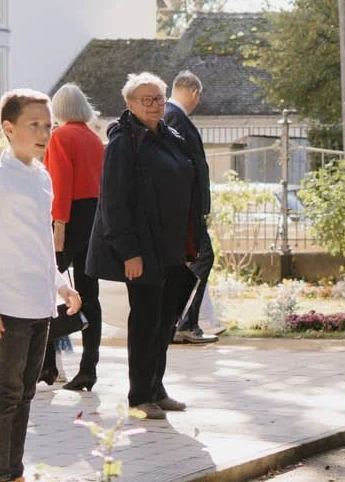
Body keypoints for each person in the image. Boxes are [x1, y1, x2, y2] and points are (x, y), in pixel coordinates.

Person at [0, 89, 82, 482]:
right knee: (6, 394)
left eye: (48, 125)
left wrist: (61, 286)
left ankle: (14, 479)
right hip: (7, 305)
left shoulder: (41, 176)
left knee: (26, 393)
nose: (44, 133)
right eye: (34, 125)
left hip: (39, 304)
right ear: (8, 128)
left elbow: (41, 242)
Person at [87, 72, 197, 420]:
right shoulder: (124, 142)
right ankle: (139, 396)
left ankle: (156, 388)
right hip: (142, 247)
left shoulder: (170, 137)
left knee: (164, 322)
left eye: (159, 99)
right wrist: (129, 252)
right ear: (130, 104)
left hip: (171, 246)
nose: (154, 105)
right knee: (146, 321)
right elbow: (114, 201)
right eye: (146, 100)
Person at [43, 82, 106, 391]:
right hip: (95, 219)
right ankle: (88, 367)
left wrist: (58, 232)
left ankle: (46, 365)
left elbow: (60, 185)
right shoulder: (95, 139)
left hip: (69, 219)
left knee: (49, 290)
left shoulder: (60, 137)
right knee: (90, 295)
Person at [161, 73, 217, 345]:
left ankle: (179, 322)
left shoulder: (174, 116)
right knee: (202, 258)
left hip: (188, 209)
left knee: (195, 260)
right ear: (194, 93)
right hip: (185, 210)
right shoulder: (174, 117)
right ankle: (182, 322)